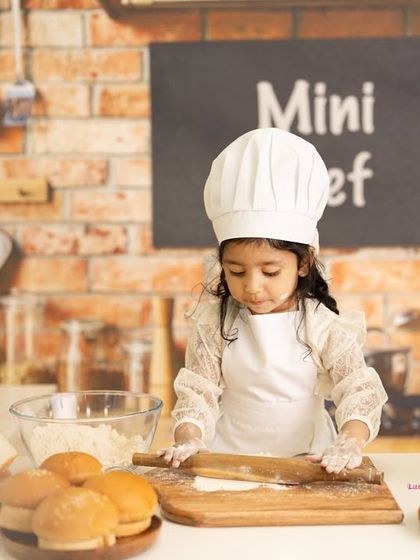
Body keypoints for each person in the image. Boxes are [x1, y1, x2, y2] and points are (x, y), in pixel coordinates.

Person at [158, 128, 387, 474]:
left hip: (311, 463)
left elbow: (358, 389)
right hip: (228, 463)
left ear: (303, 264)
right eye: (236, 271)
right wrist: (189, 437)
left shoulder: (322, 325)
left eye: (269, 271)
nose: (253, 287)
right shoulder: (215, 324)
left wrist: (348, 441)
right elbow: (197, 394)